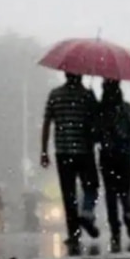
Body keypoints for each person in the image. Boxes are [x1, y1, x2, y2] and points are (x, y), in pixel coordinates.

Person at [40, 72, 100, 249]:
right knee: (91, 185)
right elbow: (96, 122)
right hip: (84, 151)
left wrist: (44, 151)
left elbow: (47, 123)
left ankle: (73, 233)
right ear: (80, 75)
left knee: (69, 194)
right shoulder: (87, 95)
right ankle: (87, 213)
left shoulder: (55, 95)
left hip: (63, 152)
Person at [97, 79, 130, 252]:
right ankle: (128, 214)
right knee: (125, 189)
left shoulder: (101, 111)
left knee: (110, 192)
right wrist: (125, 140)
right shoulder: (127, 108)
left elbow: (95, 134)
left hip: (107, 156)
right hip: (126, 155)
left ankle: (115, 226)